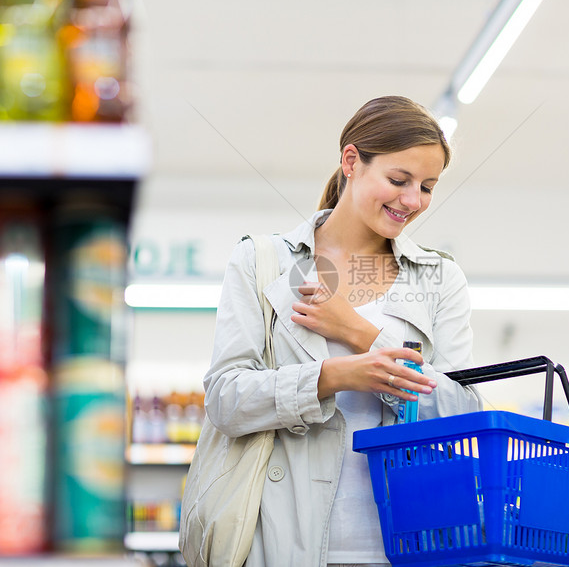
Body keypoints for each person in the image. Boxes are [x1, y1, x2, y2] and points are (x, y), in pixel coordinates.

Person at [203, 95, 481, 567]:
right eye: (398, 180)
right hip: (280, 542)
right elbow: (225, 400)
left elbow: (460, 414)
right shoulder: (264, 261)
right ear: (351, 161)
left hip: (402, 545)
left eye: (427, 186)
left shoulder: (438, 277)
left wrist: (360, 333)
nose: (412, 201)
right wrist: (332, 377)